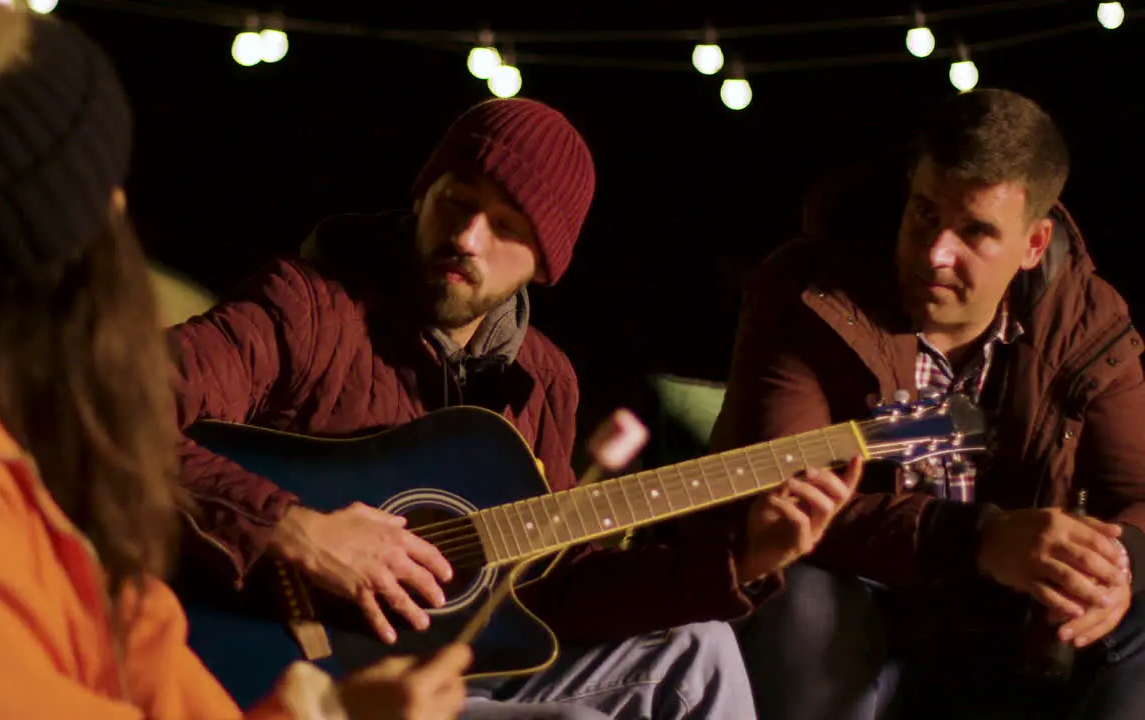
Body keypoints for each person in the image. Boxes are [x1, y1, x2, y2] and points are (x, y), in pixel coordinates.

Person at [171, 93, 864, 718]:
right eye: (457, 199)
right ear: (424, 192)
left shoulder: (544, 379)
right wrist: (294, 530)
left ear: (544, 262)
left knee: (701, 649)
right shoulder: (307, 307)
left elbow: (556, 589)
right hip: (295, 673)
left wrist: (742, 559)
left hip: (458, 675)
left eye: (506, 225)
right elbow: (104, 410)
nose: (468, 238)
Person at [0, 1, 469, 718]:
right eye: (100, 196)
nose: (122, 213)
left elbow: (138, 645)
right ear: (43, 244)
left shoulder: (17, 407)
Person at [713, 87, 1145, 720]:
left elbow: (1137, 490)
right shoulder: (809, 294)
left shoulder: (1087, 320)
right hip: (863, 595)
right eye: (924, 213)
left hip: (1006, 616)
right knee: (798, 596)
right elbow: (781, 498)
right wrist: (977, 537)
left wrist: (1109, 572)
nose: (936, 253)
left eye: (976, 232)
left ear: (1033, 244)